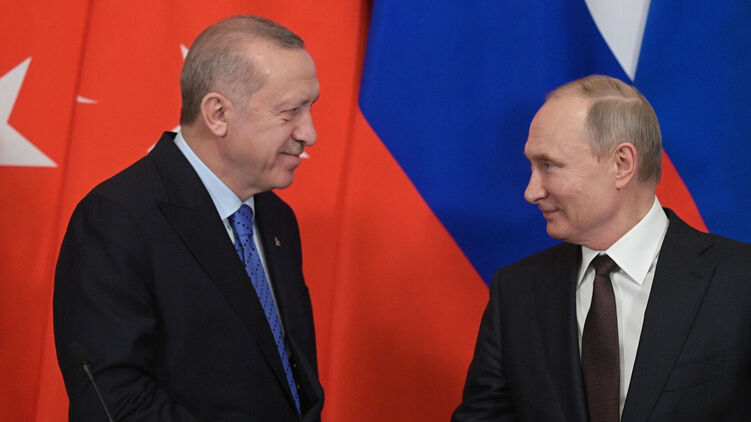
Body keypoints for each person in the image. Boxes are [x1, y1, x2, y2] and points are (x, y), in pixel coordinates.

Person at [54, 15, 323, 421]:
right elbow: (114, 402)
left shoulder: (277, 217)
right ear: (218, 114)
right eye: (290, 112)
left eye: (310, 108)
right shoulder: (116, 219)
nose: (309, 134)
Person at [452, 75, 751, 421]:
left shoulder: (740, 283)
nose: (531, 192)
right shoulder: (516, 292)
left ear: (621, 164)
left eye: (549, 165)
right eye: (532, 167)